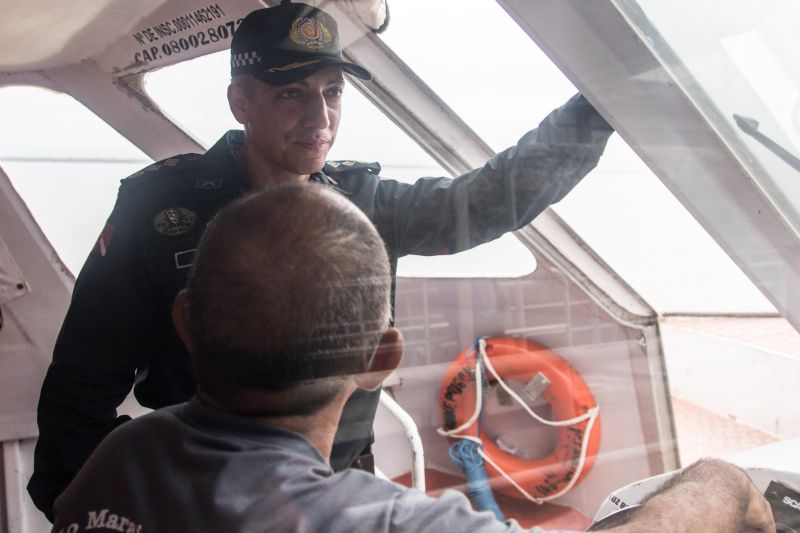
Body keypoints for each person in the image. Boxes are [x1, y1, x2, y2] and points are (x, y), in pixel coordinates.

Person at [30, 0, 616, 521]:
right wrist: (83, 501)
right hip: (199, 482)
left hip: (334, 481)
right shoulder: (158, 211)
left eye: (332, 91)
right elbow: (83, 378)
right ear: (241, 101)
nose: (319, 117)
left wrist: (601, 103)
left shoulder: (362, 204)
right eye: (291, 93)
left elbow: (487, 201)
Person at [50, 184, 775, 533]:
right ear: (381, 357)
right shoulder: (373, 524)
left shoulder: (115, 463)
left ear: (185, 324)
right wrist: (720, 480)